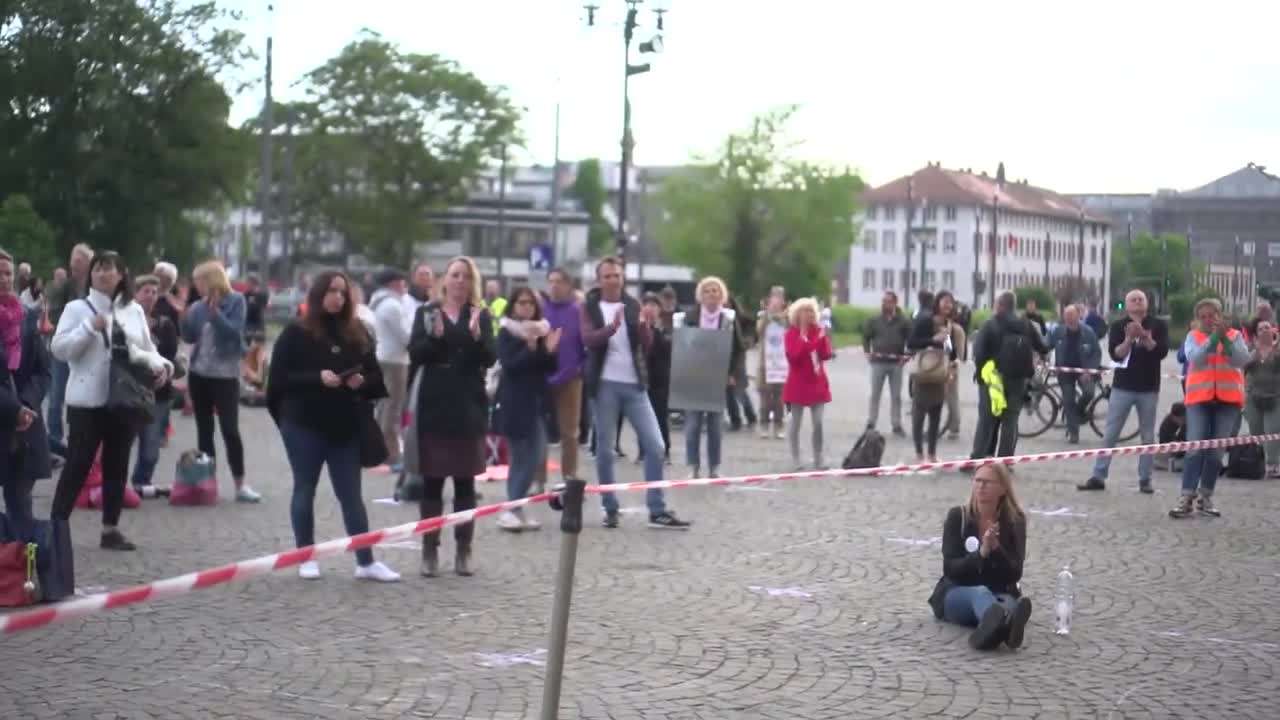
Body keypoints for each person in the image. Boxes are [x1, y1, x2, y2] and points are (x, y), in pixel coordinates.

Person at [267, 270, 400, 582]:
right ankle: (306, 557)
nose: (337, 297)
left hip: (345, 427)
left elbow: (377, 382)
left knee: (351, 495)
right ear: (318, 295)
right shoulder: (296, 332)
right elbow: (279, 381)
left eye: (342, 292)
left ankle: (365, 561)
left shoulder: (359, 333)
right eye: (331, 291)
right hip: (304, 425)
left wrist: (360, 382)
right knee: (305, 488)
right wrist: (318, 378)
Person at [51, 251, 172, 551]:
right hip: (86, 401)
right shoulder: (76, 308)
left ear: (121, 275)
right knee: (77, 463)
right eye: (98, 269)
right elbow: (59, 349)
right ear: (91, 275)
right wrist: (89, 328)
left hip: (124, 399)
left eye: (109, 269)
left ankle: (110, 528)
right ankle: (56, 525)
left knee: (117, 463)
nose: (103, 274)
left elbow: (146, 348)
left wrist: (164, 367)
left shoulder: (133, 310)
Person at [582, 257, 689, 529]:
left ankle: (657, 508)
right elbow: (588, 339)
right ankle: (610, 506)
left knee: (655, 446)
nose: (613, 280)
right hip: (604, 385)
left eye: (616, 275)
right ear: (599, 280)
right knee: (604, 452)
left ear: (622, 278)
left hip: (634, 385)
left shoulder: (632, 305)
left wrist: (644, 327)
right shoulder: (590, 306)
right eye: (607, 276)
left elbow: (647, 345)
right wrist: (611, 329)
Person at [408, 256, 497, 575]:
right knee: (432, 483)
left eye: (465, 276)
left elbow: (489, 357)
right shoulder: (427, 313)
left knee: (464, 484)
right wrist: (435, 337)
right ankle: (429, 550)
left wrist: (474, 336)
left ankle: (464, 549)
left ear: (472, 282)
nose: (459, 281)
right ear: (445, 280)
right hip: (435, 403)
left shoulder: (480, 314)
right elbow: (416, 353)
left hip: (468, 405)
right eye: (455, 275)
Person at [927, 463, 1031, 651]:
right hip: (957, 592)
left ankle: (995, 629)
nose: (981, 486)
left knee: (1004, 603)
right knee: (981, 595)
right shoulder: (958, 516)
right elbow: (951, 570)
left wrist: (996, 549)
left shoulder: (1015, 521)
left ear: (1002, 488)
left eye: (987, 482)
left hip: (998, 591)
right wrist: (982, 554)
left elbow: (1015, 573)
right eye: (977, 481)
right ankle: (1006, 626)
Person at [181, 261, 260, 503]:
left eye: (200, 281)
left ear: (211, 279)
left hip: (225, 375)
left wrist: (215, 316)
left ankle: (240, 484)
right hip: (199, 374)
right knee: (204, 431)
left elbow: (234, 334)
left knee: (230, 430)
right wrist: (184, 320)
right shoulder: (197, 305)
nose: (197, 286)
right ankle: (208, 483)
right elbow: (190, 336)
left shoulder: (236, 301)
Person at [1078, 289, 1169, 493]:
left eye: (1140, 299)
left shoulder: (1158, 324)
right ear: (1127, 305)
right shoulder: (1119, 326)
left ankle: (1145, 478)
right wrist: (1128, 339)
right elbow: (1116, 354)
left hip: (1148, 387)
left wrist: (1145, 337)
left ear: (1147, 303)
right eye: (1133, 299)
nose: (1137, 302)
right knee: (1110, 433)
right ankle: (1098, 475)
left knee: (1147, 436)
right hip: (1123, 386)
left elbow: (1161, 352)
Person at [1172, 298, 1248, 518]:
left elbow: (1241, 360)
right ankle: (1186, 496)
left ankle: (1206, 496)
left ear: (1219, 315)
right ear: (1198, 319)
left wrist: (1225, 338)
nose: (1208, 320)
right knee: (1195, 448)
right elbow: (1195, 358)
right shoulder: (1192, 337)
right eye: (1203, 316)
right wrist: (1214, 338)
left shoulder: (1234, 335)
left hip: (1227, 401)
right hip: (1199, 399)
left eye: (1212, 315)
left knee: (1215, 452)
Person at [494, 287, 559, 532]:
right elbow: (510, 365)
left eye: (531, 303)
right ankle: (511, 509)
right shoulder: (506, 331)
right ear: (513, 306)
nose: (526, 307)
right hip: (514, 402)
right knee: (520, 457)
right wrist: (529, 350)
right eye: (522, 303)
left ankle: (516, 508)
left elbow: (549, 368)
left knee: (535, 457)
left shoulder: (542, 330)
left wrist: (550, 352)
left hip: (538, 402)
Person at [0, 250, 51, 534]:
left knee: (21, 502)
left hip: (26, 427)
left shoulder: (27, 319)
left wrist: (27, 404)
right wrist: (13, 409)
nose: (4, 279)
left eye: (8, 273)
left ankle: (20, 569)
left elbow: (43, 371)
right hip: (6, 416)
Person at [675, 276, 743, 479]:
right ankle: (693, 466)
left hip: (718, 377)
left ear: (722, 295)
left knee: (715, 426)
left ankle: (714, 467)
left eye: (716, 291)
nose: (712, 294)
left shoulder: (728, 318)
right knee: (693, 424)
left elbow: (738, 347)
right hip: (694, 376)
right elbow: (681, 346)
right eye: (708, 291)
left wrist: (732, 373)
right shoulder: (689, 317)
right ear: (701, 296)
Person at [970, 291, 1049, 461]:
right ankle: (1005, 460)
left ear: (1000, 305)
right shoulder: (1026, 324)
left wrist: (981, 375)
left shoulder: (990, 324)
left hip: (993, 379)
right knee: (1010, 421)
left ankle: (977, 458)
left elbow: (979, 352)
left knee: (986, 420)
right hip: (1018, 380)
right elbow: (1042, 347)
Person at [129, 275, 179, 492]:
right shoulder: (122, 322)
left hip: (158, 394)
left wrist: (165, 369)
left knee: (150, 448)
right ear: (135, 294)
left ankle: (141, 483)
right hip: (129, 393)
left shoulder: (165, 324)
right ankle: (117, 484)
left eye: (154, 292)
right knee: (121, 444)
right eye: (145, 291)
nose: (150, 296)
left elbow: (171, 355)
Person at [45, 243, 93, 457]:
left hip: (87, 350)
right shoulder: (66, 286)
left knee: (81, 398)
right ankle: (55, 443)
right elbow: (53, 313)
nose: (74, 266)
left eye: (79, 262)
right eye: (73, 261)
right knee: (56, 398)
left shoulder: (96, 286)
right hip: (65, 347)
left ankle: (80, 442)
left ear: (88, 264)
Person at [907, 291, 962, 463]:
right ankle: (918, 454)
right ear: (937, 302)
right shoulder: (925, 320)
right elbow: (912, 343)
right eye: (945, 302)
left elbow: (949, 349)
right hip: (924, 371)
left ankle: (931, 453)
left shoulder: (948, 324)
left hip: (940, 373)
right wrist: (932, 340)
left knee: (936, 415)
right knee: (918, 415)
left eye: (950, 303)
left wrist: (953, 361)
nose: (948, 305)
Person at [543, 268, 586, 480]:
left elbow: (586, 344)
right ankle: (537, 482)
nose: (554, 285)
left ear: (569, 286)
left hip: (570, 379)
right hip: (541, 379)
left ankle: (570, 478)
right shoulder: (540, 310)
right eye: (551, 281)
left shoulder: (578, 311)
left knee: (569, 433)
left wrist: (580, 369)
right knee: (539, 432)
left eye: (559, 281)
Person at [783, 297, 833, 470]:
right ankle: (796, 458)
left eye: (812, 311)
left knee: (818, 422)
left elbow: (826, 355)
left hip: (817, 383)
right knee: (795, 424)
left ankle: (818, 458)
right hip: (797, 384)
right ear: (797, 314)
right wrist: (804, 337)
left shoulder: (818, 331)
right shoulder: (791, 334)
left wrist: (823, 338)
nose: (809, 315)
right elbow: (794, 356)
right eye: (805, 311)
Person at [369, 269, 411, 470]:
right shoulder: (393, 305)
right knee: (393, 407)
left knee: (384, 406)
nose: (405, 287)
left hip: (382, 356)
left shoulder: (377, 302)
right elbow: (406, 336)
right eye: (403, 282)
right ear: (394, 284)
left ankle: (378, 447)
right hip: (395, 360)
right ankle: (390, 452)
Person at [1046, 305, 1101, 444]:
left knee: (1089, 393)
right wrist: (1041, 357)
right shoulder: (1058, 331)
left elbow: (1096, 352)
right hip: (1065, 372)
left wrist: (1089, 370)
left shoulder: (1088, 332)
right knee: (1068, 400)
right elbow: (1046, 345)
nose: (1068, 317)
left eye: (1071, 314)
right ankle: (1073, 432)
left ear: (1078, 316)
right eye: (1066, 315)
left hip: (1084, 370)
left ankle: (1078, 412)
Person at [863, 290, 910, 436]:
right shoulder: (875, 320)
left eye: (888, 301)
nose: (885, 304)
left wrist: (907, 355)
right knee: (875, 393)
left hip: (896, 362)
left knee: (896, 395)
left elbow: (910, 338)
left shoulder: (903, 321)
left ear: (895, 303)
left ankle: (896, 424)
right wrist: (867, 351)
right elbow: (866, 336)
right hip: (878, 361)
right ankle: (871, 421)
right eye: (883, 301)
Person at [637, 293, 672, 464]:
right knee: (641, 419)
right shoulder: (637, 329)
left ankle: (665, 451)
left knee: (660, 418)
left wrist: (654, 330)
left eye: (654, 305)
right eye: (647, 304)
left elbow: (666, 350)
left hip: (660, 381)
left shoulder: (665, 330)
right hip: (642, 380)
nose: (650, 308)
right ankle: (642, 451)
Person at [1244, 319, 1280, 476]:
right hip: (1254, 397)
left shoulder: (1278, 350)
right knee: (1256, 431)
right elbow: (1244, 366)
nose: (1265, 331)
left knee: (1272, 430)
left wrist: (1273, 350)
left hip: (1275, 397)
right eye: (1261, 329)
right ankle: (1259, 460)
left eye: (1267, 328)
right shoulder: (1251, 350)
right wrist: (1258, 351)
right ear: (1255, 334)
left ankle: (1273, 464)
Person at [756, 287, 788, 439]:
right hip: (766, 365)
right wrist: (769, 316)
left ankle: (779, 425)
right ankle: (763, 424)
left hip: (782, 365)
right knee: (765, 398)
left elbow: (791, 331)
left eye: (779, 299)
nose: (776, 303)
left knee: (780, 399)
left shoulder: (787, 319)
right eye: (773, 299)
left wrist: (781, 318)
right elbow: (759, 331)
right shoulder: (763, 318)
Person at [723, 293, 756, 432]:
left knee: (738, 387)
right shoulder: (720, 318)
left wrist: (747, 341)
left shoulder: (741, 318)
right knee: (728, 389)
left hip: (737, 355)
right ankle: (735, 418)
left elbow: (753, 331)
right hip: (724, 356)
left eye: (727, 304)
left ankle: (750, 415)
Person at [240, 332, 268, 406]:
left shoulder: (261, 356)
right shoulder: (249, 354)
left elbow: (259, 379)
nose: (252, 344)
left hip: (255, 388)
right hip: (248, 387)